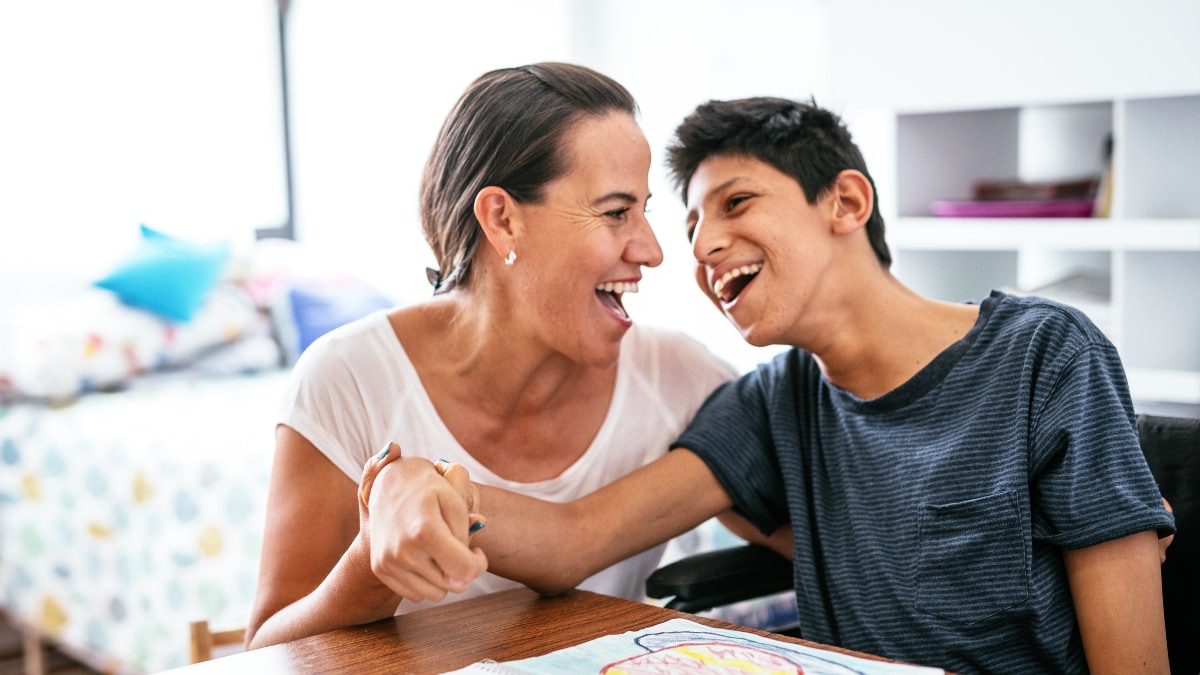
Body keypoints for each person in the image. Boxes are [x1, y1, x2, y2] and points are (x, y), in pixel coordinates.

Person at [363, 97, 1176, 674]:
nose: (703, 245)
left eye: (736, 202)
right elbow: (574, 538)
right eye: (689, 227)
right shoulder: (774, 400)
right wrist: (416, 484)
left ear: (846, 201)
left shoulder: (1045, 355)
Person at [243, 62, 742, 649]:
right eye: (615, 212)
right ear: (502, 219)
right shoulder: (346, 380)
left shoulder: (679, 377)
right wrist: (372, 557)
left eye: (644, 210)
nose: (653, 251)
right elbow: (267, 654)